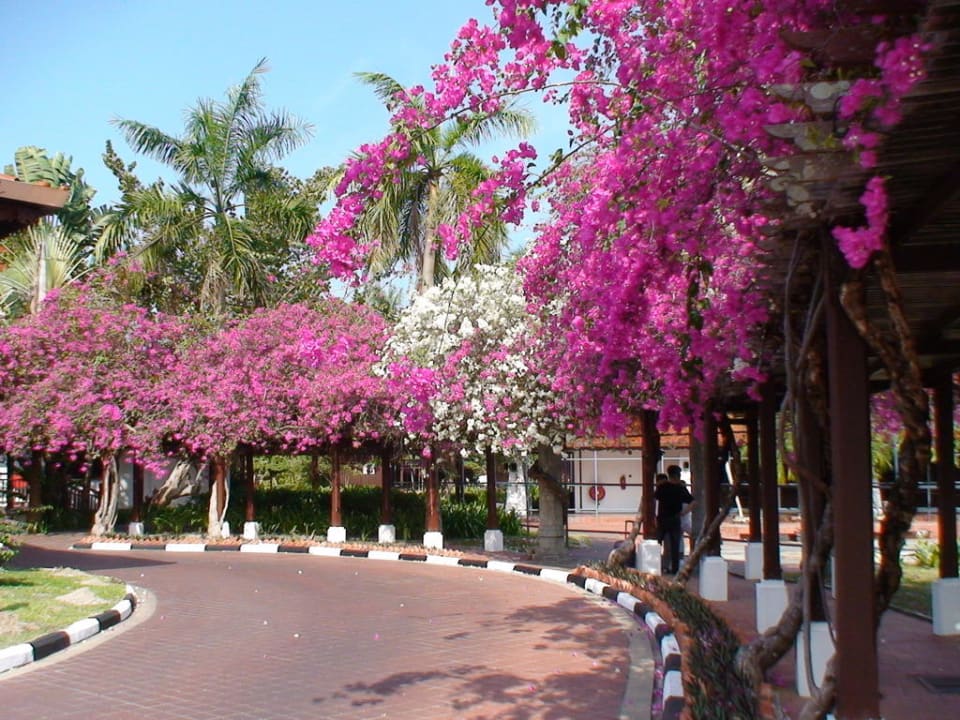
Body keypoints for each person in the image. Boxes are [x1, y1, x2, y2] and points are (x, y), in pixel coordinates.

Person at [655, 464, 695, 575]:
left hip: (662, 518)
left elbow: (654, 499)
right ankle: (675, 570)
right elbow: (693, 502)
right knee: (675, 545)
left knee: (657, 542)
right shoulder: (680, 488)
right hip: (675, 518)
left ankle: (656, 565)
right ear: (678, 475)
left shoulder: (662, 487)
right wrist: (684, 512)